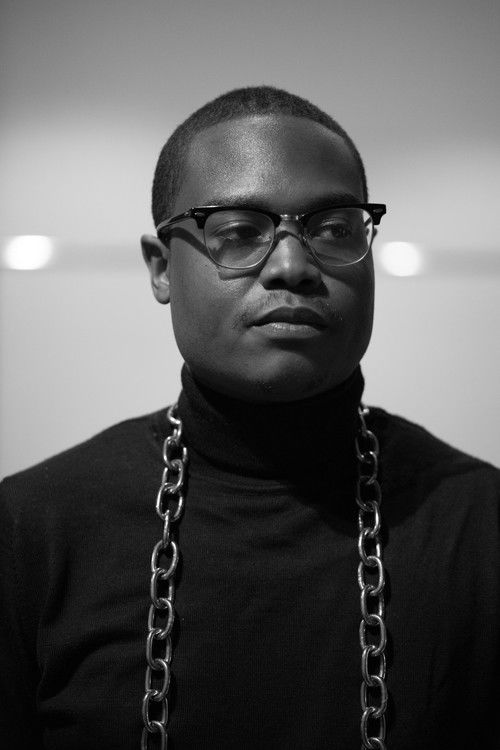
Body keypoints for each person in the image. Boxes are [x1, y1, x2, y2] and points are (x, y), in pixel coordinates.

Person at [0, 86, 498, 750]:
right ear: (161, 268)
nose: (292, 266)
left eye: (334, 229)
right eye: (238, 232)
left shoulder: (480, 524)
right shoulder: (33, 530)